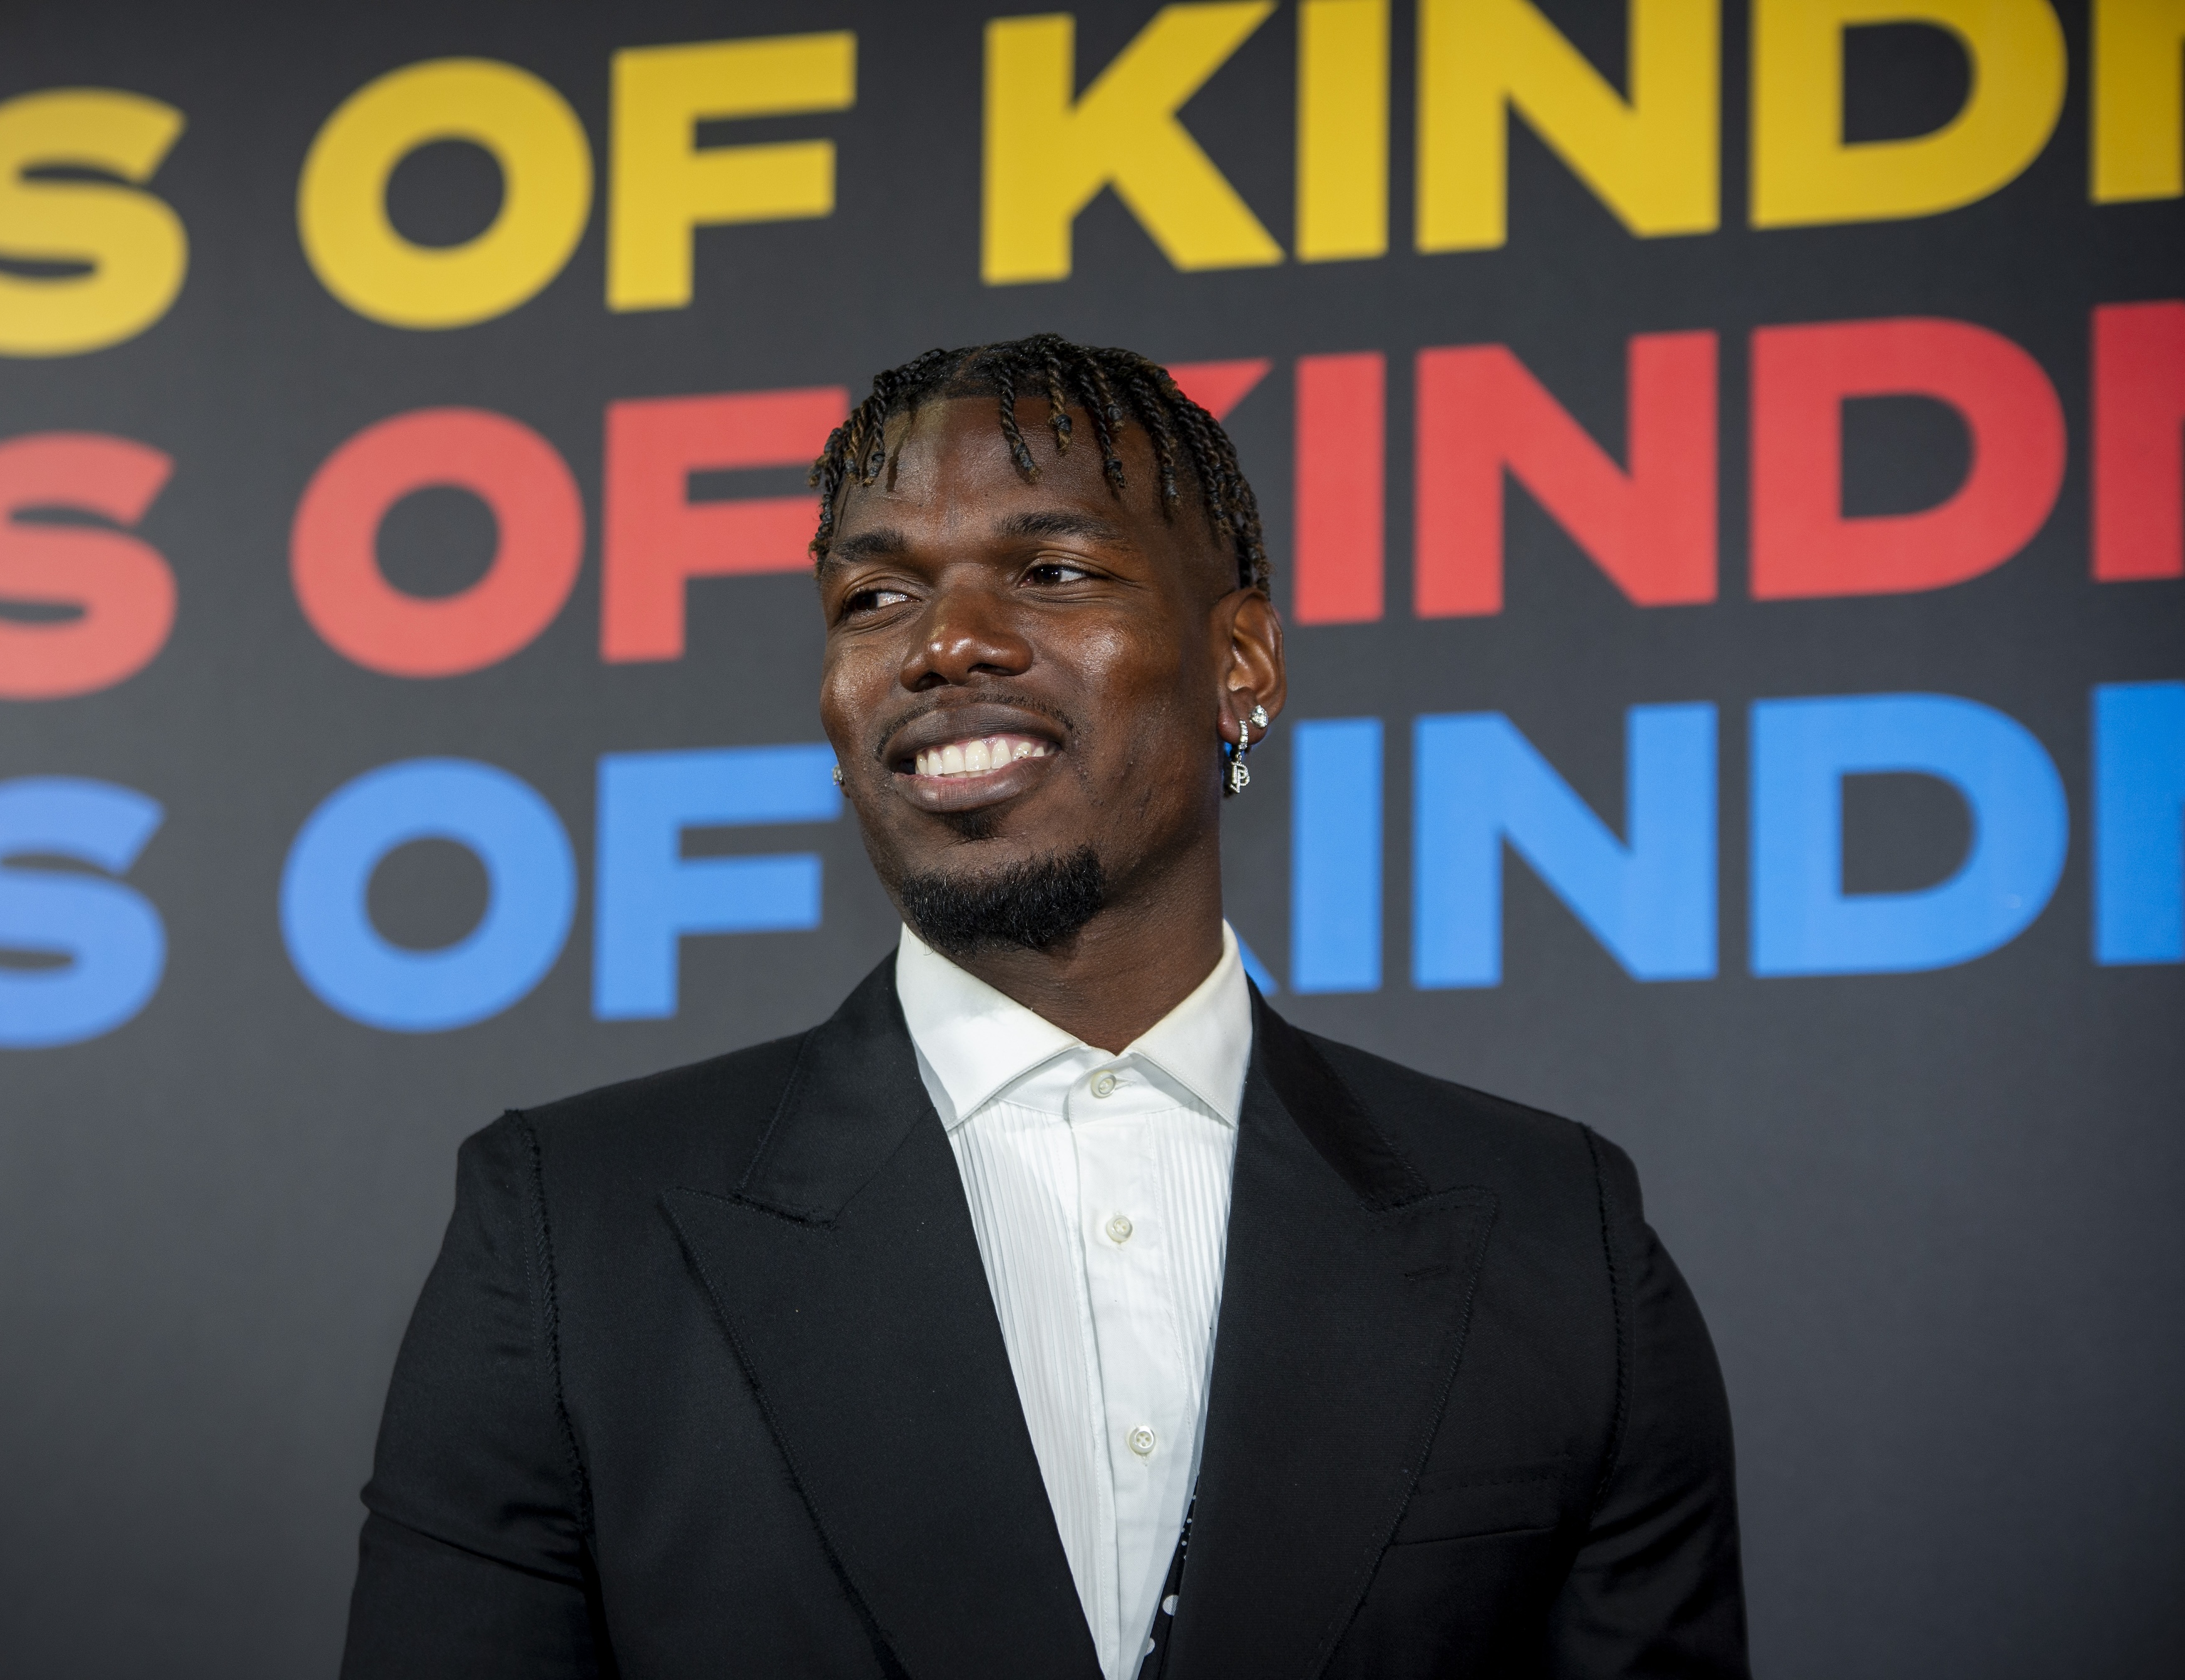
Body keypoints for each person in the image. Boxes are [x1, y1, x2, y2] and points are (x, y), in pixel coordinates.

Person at [338, 335, 1748, 1679]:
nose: (947, 643)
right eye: (874, 599)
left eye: (1055, 570)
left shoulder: (1550, 1234)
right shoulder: (568, 1233)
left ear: (1241, 665)